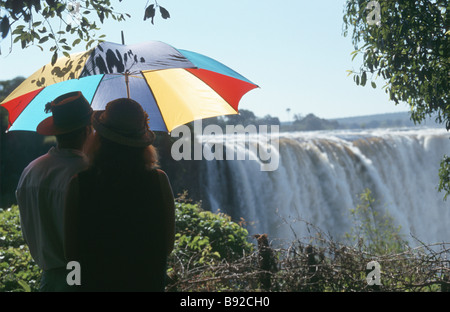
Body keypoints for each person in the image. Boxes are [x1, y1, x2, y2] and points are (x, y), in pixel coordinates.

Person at [64, 98, 175, 292]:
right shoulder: (159, 181)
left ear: (99, 137)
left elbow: (71, 253)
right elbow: (167, 245)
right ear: (142, 142)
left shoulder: (79, 183)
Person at [16, 91, 93, 292]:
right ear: (87, 129)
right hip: (84, 277)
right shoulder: (89, 172)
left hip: (49, 280)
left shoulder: (31, 171)